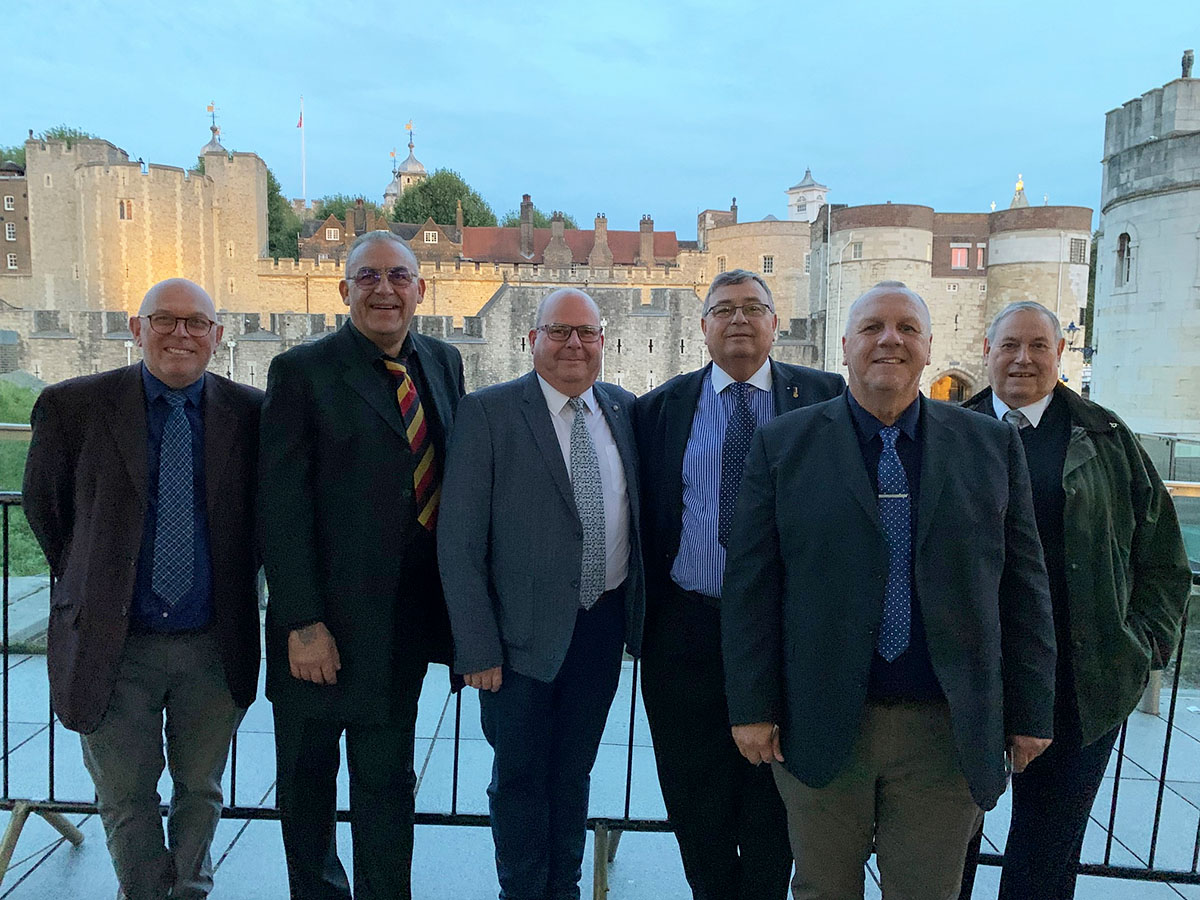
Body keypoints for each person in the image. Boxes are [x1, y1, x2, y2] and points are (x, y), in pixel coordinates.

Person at [721, 281, 1058, 900]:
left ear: (930, 347)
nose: (890, 340)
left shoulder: (988, 445)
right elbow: (752, 587)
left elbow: (1022, 585)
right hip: (821, 721)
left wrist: (1033, 710)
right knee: (823, 889)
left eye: (907, 328)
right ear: (845, 345)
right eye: (873, 327)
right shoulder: (784, 444)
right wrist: (751, 705)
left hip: (945, 729)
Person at [23, 278, 262, 900]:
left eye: (195, 323)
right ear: (137, 327)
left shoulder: (250, 413)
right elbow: (48, 512)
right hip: (112, 640)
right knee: (125, 796)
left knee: (201, 790)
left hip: (212, 639)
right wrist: (95, 580)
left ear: (216, 334)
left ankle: (186, 891)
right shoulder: (73, 406)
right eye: (165, 320)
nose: (180, 334)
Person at [956, 301, 1191, 899]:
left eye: (1038, 345)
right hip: (966, 680)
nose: (1023, 359)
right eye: (1010, 345)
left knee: (1047, 853)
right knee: (946, 844)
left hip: (1079, 681)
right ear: (988, 350)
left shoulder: (1107, 440)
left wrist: (1144, 646)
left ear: (1061, 353)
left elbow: (1162, 557)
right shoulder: (948, 433)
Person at [259, 231, 464, 899]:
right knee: (310, 783)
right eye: (368, 276)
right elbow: (280, 507)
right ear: (344, 289)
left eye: (399, 276)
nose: (385, 289)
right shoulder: (301, 371)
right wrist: (302, 622)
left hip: (403, 625)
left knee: (386, 781)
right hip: (322, 625)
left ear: (420, 290)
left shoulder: (443, 361)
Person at [633, 269, 843, 900]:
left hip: (786, 632)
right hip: (687, 632)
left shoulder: (828, 400)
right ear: (702, 329)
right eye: (724, 309)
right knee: (695, 800)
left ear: (778, 323)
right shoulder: (658, 410)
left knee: (776, 800)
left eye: (755, 307)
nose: (740, 320)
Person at [438, 287, 645, 900]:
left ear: (604, 342)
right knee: (520, 778)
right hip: (515, 638)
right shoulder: (489, 414)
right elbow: (459, 542)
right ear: (532, 340)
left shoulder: (624, 410)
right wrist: (476, 647)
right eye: (558, 332)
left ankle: (566, 888)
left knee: (573, 772)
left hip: (600, 629)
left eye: (586, 333)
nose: (573, 344)